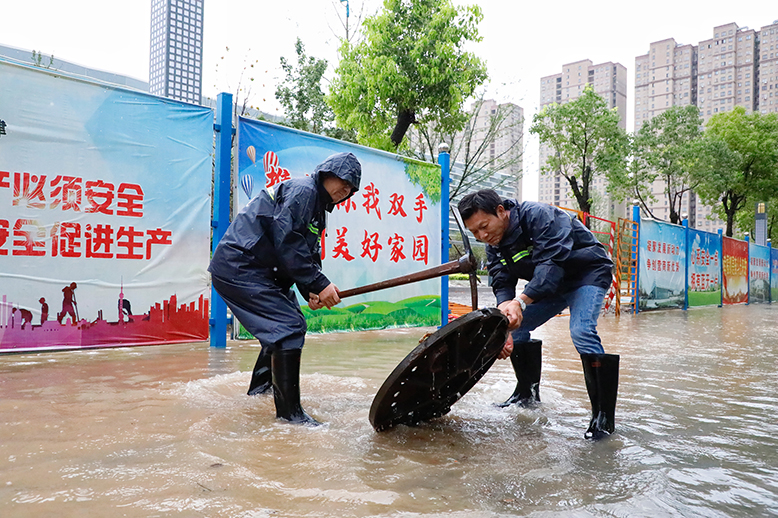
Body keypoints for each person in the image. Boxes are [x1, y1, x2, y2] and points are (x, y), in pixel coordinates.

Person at [209, 152, 361, 426]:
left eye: (351, 188)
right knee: (287, 326)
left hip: (261, 272)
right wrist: (319, 284)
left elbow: (307, 252)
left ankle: (260, 393)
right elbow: (287, 240)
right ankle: (290, 417)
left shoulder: (316, 205)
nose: (345, 190)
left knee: (290, 322)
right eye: (344, 181)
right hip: (240, 266)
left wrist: (311, 292)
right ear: (326, 173)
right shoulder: (304, 191)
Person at [458, 189, 619, 440]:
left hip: (586, 273)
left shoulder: (538, 216)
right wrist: (505, 320)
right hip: (551, 285)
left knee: (581, 331)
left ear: (501, 211)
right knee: (517, 326)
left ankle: (603, 419)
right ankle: (526, 395)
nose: (482, 235)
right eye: (474, 232)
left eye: (484, 226)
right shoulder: (495, 244)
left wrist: (520, 302)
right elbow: (502, 282)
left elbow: (551, 265)